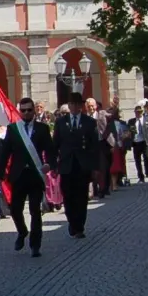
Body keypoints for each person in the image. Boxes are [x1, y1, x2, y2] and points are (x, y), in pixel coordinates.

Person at [0, 97, 55, 258]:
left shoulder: (42, 129)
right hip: (18, 175)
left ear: (34, 111)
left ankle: (35, 245)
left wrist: (50, 165)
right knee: (15, 209)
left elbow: (50, 150)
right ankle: (22, 231)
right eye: (23, 110)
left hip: (35, 175)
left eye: (29, 110)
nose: (26, 113)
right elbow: (5, 153)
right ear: (19, 111)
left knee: (35, 210)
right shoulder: (13, 129)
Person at [54, 94, 98, 238]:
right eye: (71, 103)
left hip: (82, 165)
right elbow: (55, 144)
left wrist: (95, 167)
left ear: (80, 106)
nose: (73, 106)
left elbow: (94, 147)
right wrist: (53, 164)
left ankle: (79, 227)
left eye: (76, 104)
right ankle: (72, 222)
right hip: (66, 164)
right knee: (67, 196)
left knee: (81, 196)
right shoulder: (61, 122)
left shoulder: (89, 122)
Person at [130, 101, 148, 183]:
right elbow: (130, 132)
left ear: (142, 112)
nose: (138, 114)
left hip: (145, 142)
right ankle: (140, 176)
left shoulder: (147, 120)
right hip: (136, 143)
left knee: (147, 157)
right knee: (137, 160)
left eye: (140, 112)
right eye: (137, 112)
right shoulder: (131, 121)